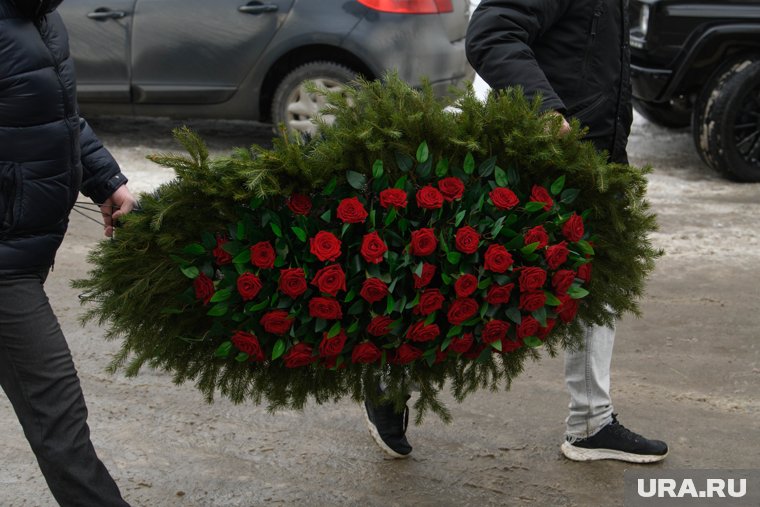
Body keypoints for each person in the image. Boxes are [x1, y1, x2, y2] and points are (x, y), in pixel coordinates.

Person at [363, 0, 668, 464]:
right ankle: (392, 380)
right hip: (538, 157)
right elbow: (491, 32)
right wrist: (543, 109)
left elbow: (594, 67)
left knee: (598, 285)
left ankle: (591, 424)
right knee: (483, 286)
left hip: (592, 160)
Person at [1, 0, 137, 504]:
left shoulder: (39, 16)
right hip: (4, 265)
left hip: (21, 248)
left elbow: (58, 118)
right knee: (58, 415)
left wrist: (108, 183)